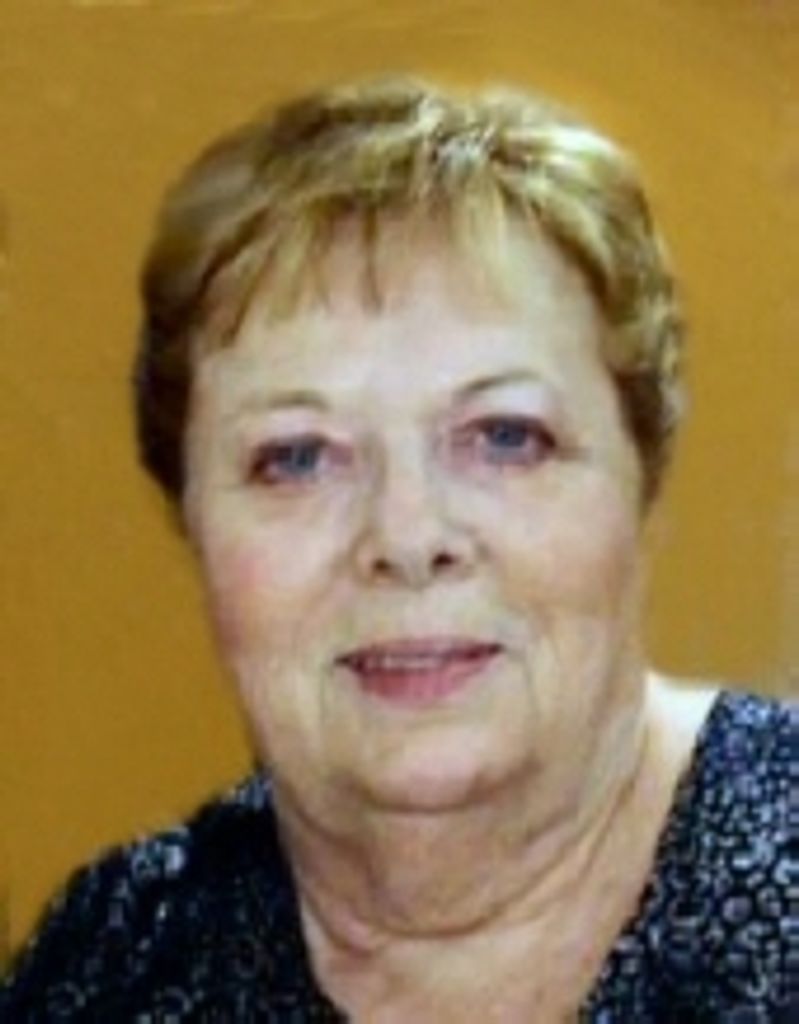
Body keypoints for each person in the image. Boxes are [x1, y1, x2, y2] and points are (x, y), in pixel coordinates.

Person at [2, 76, 793, 1023]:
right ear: (191, 515)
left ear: (641, 482)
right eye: (298, 457)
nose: (408, 539)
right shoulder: (116, 961)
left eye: (504, 437)